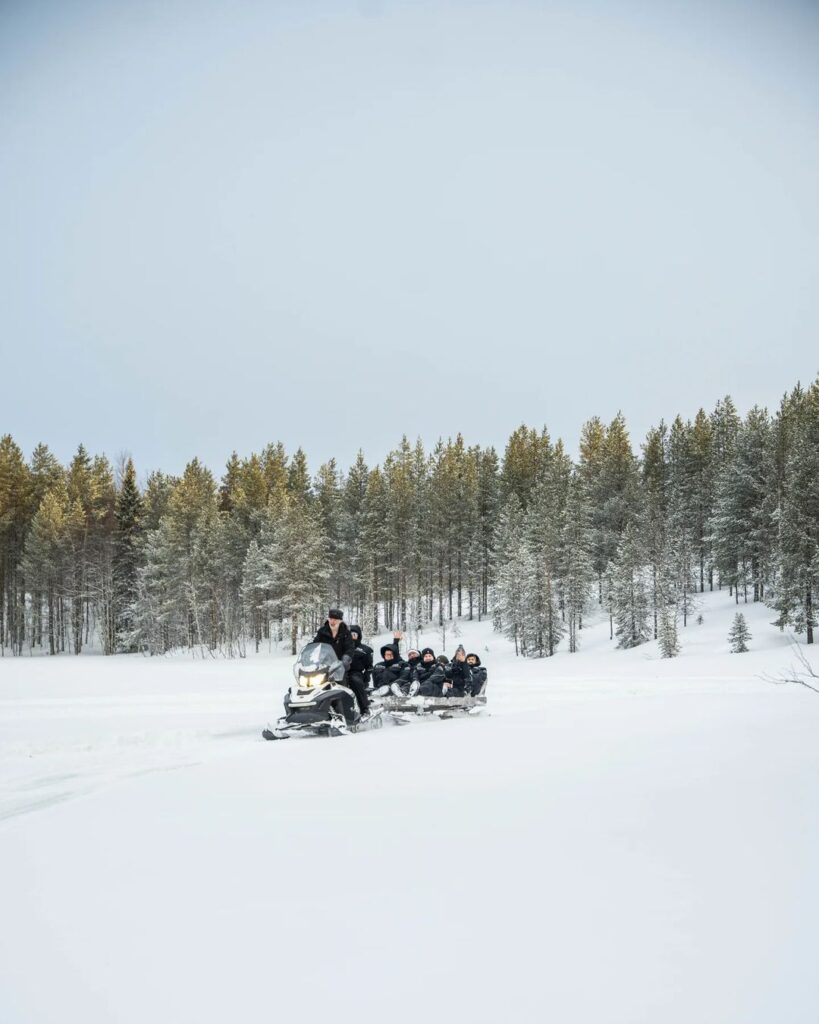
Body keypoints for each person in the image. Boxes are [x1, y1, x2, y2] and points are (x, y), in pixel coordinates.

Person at [312, 608, 368, 717]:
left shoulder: (345, 633)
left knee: (347, 684)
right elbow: (316, 644)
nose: (332, 621)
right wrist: (311, 653)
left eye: (335, 620)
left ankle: (355, 711)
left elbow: (350, 648)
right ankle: (313, 711)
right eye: (331, 619)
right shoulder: (322, 631)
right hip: (325, 666)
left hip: (341, 666)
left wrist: (346, 659)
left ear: (340, 621)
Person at [349, 625, 374, 695]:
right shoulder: (342, 648)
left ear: (358, 636)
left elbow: (369, 666)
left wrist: (366, 678)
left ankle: (361, 698)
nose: (351, 637)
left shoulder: (365, 650)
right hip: (341, 673)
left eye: (354, 634)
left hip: (356, 673)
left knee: (355, 680)